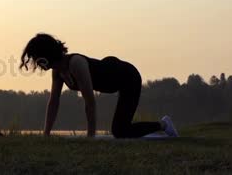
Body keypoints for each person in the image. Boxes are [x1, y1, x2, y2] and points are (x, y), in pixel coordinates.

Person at [21, 33, 178, 138]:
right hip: (114, 81)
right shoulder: (57, 72)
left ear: (46, 55)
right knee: (121, 131)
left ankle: (164, 124)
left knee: (119, 131)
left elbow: (90, 102)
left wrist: (91, 136)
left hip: (128, 77)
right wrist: (46, 134)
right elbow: (54, 102)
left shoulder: (76, 63)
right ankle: (154, 128)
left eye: (37, 58)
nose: (37, 64)